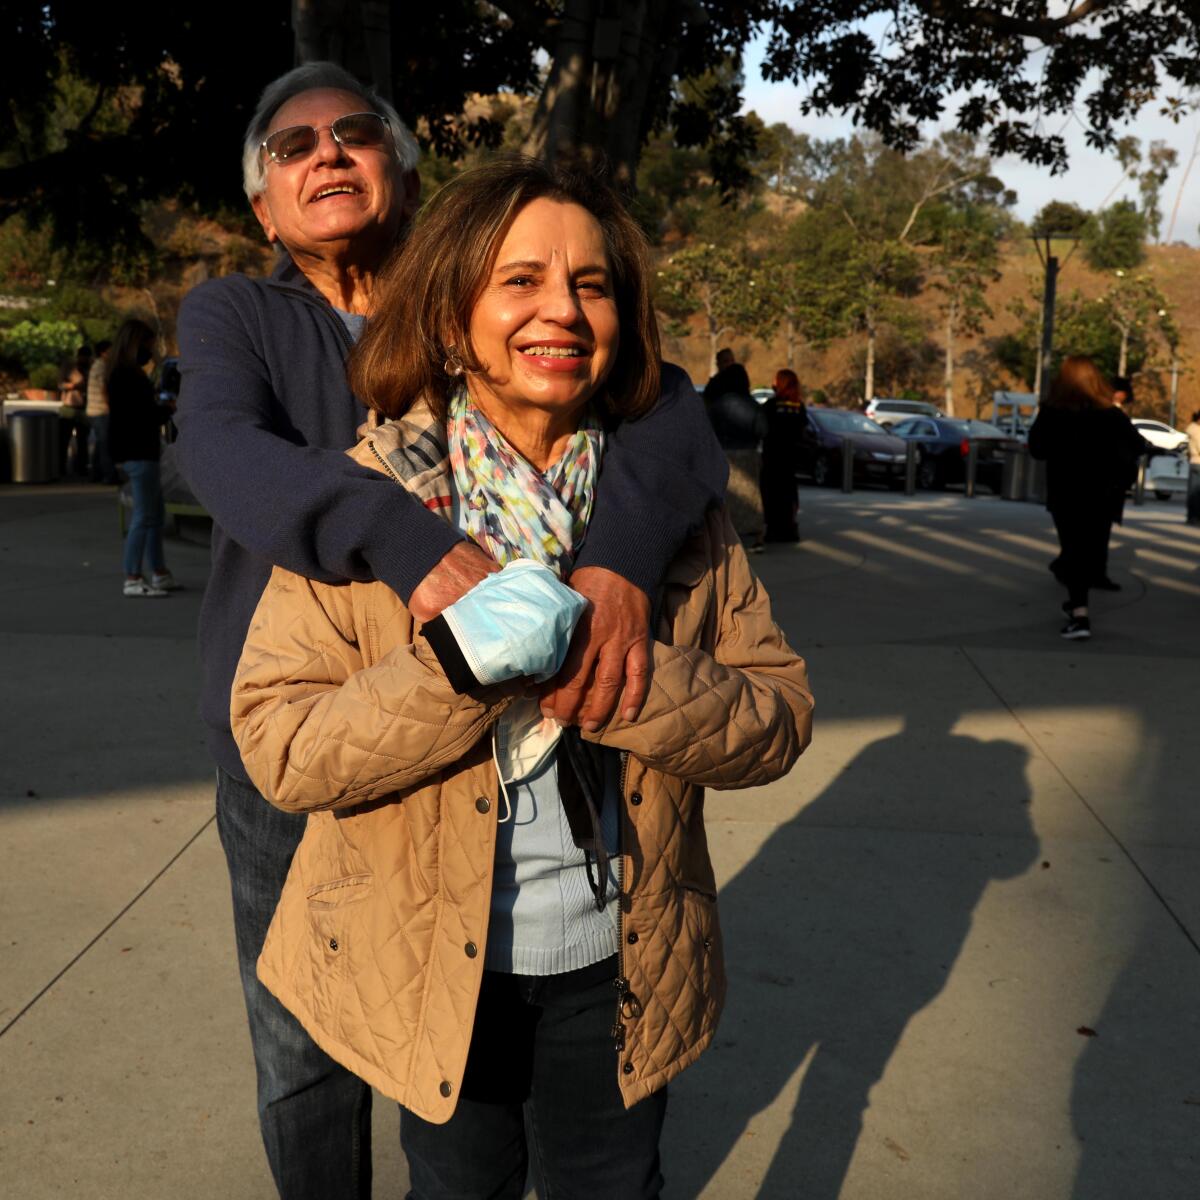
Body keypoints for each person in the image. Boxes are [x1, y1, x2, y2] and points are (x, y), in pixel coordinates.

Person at [174, 64, 728, 1199]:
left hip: (505, 756)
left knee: (483, 1065)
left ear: (408, 173)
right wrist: (405, 537)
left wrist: (619, 557)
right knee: (304, 1046)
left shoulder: (495, 303)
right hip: (317, 723)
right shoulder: (235, 312)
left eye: (355, 133)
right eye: (291, 147)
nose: (325, 153)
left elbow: (672, 416)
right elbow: (223, 453)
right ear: (263, 208)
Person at [1028, 356, 1145, 640]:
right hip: (1102, 492)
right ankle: (1076, 600)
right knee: (1085, 549)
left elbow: (1037, 449)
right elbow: (1137, 445)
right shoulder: (1111, 414)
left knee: (1073, 548)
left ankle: (1079, 612)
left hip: (1066, 491)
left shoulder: (1053, 411)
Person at [107, 318, 177, 597]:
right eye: (147, 344)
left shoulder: (121, 374)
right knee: (145, 515)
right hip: (139, 451)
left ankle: (158, 571)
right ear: (136, 344)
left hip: (137, 451)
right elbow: (142, 416)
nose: (150, 350)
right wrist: (168, 409)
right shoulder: (129, 376)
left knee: (154, 514)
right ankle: (134, 576)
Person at [703, 348, 765, 551]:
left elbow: (706, 427)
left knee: (726, 498)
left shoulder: (715, 401)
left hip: (723, 452)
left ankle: (727, 536)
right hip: (748, 452)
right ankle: (753, 536)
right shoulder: (754, 405)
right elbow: (763, 429)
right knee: (752, 497)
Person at [760, 368, 805, 543]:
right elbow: (802, 432)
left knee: (771, 494)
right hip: (791, 459)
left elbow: (762, 429)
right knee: (788, 493)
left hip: (772, 457)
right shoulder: (798, 407)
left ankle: (773, 529)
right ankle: (789, 528)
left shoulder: (771, 406)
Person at [85, 339, 117, 483]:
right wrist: (110, 405)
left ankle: (96, 474)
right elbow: (104, 388)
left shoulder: (97, 365)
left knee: (100, 444)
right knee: (105, 444)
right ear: (104, 352)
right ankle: (109, 475)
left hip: (94, 410)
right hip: (101, 410)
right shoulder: (102, 366)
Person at [57, 345, 91, 478]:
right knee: (64, 440)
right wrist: (74, 386)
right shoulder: (69, 367)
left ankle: (81, 467)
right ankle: (61, 467)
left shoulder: (90, 368)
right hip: (69, 407)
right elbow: (60, 384)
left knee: (83, 440)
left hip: (83, 407)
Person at [1187, 409, 1200, 525]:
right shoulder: (1198, 431)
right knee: (1197, 493)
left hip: (1193, 461)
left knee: (1193, 491)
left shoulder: (1191, 429)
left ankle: (1191, 516)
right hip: (1199, 462)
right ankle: (1195, 517)